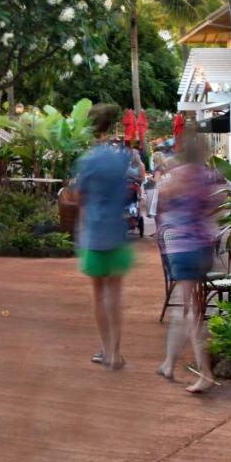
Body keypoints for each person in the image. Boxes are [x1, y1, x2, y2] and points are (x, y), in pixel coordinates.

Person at [156, 133, 227, 393]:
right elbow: (219, 204)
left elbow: (161, 200)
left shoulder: (178, 175)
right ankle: (169, 362)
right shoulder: (208, 176)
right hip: (203, 247)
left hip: (182, 248)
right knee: (186, 307)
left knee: (191, 312)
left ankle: (205, 374)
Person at [75, 104, 134, 370]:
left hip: (94, 232)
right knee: (116, 294)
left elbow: (79, 197)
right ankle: (116, 352)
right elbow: (135, 180)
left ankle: (106, 350)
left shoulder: (87, 160)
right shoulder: (120, 157)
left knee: (99, 294)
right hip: (117, 231)